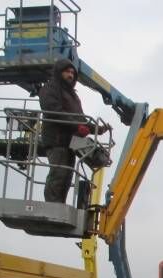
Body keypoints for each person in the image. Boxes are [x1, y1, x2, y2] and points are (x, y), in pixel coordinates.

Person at [38, 58, 107, 204]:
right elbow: (53, 111)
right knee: (59, 173)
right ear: (59, 72)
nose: (70, 75)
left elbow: (80, 119)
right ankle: (51, 205)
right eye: (67, 72)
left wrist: (98, 129)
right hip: (56, 140)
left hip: (70, 142)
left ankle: (59, 205)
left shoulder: (73, 96)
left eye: (72, 73)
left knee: (67, 176)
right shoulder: (50, 89)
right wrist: (76, 127)